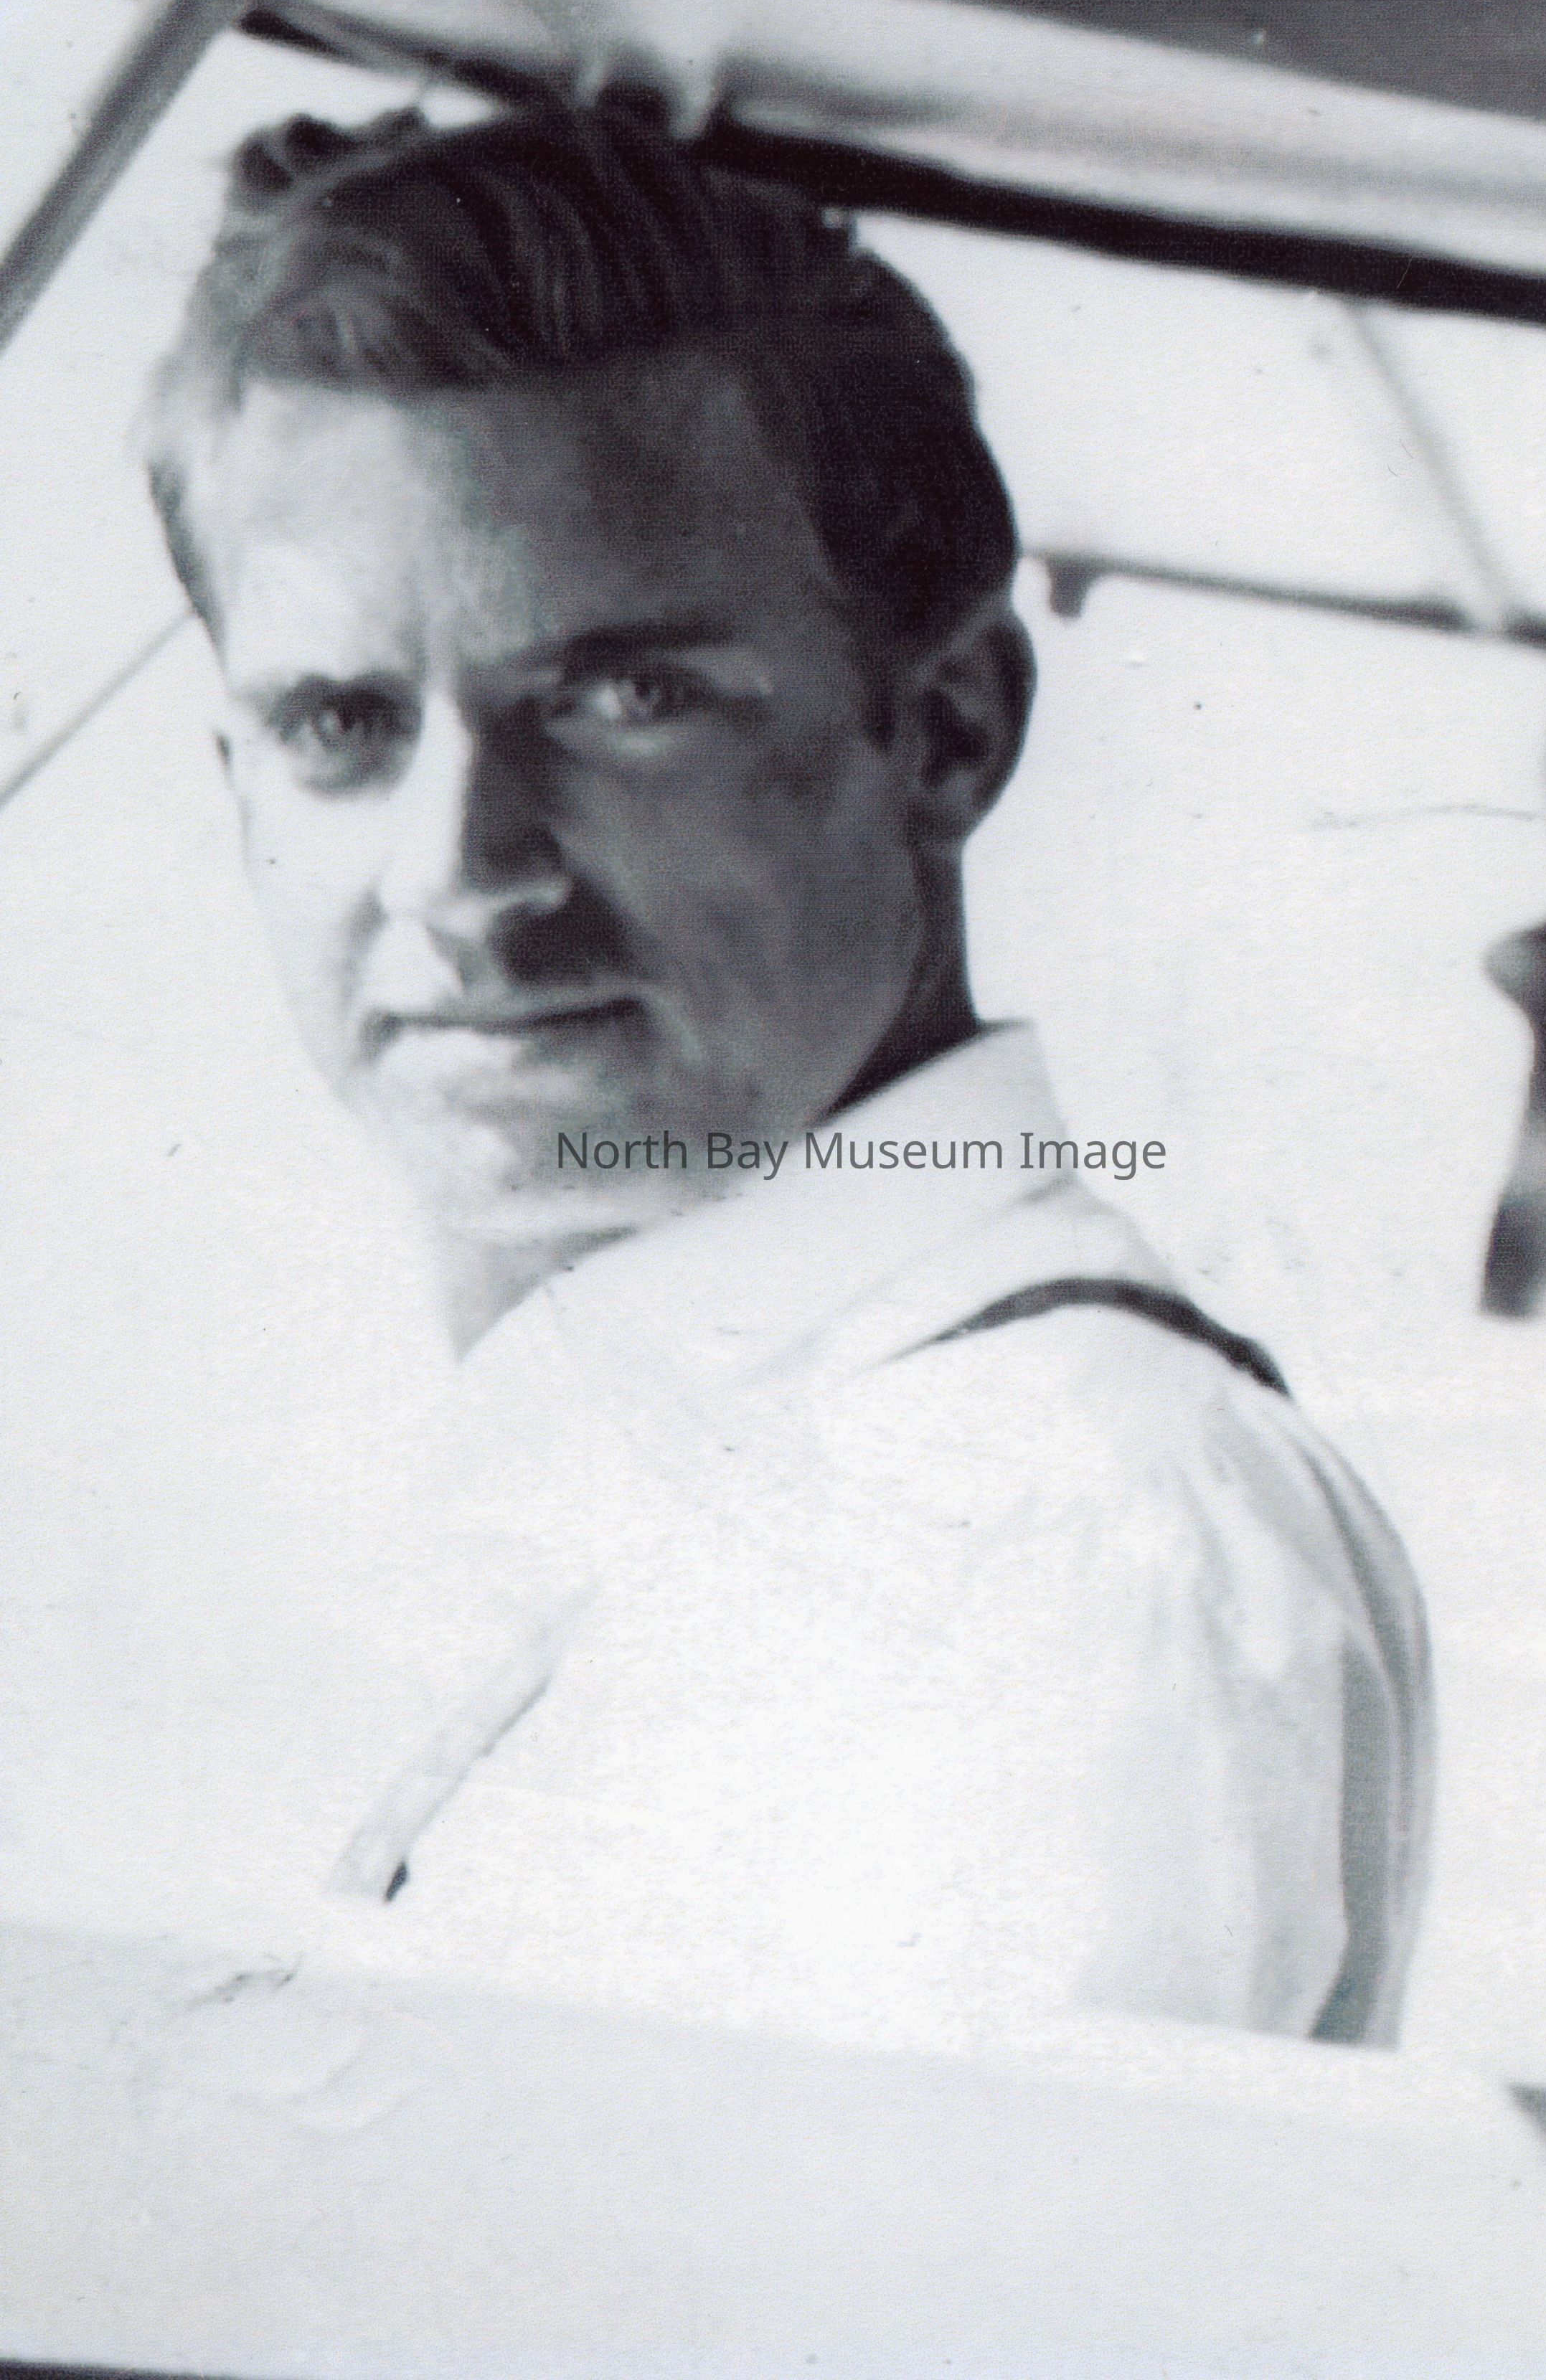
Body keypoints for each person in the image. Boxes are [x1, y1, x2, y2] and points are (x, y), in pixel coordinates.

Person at [135, 104, 1431, 2049]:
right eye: (338, 725)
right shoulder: (653, 1430)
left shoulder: (1047, 1517)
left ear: (950, 733)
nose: (458, 877)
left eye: (624, 698)